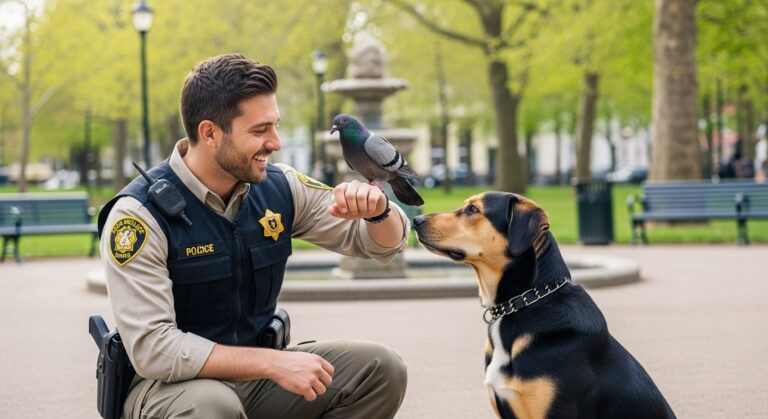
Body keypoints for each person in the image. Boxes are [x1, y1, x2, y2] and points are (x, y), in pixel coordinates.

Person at [98, 54, 409, 419]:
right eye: (260, 131)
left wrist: (379, 212)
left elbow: (382, 245)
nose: (275, 142)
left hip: (256, 376)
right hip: (169, 388)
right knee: (213, 406)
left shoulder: (280, 188)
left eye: (275, 126)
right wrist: (270, 363)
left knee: (381, 369)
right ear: (210, 133)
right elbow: (154, 349)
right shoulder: (138, 217)